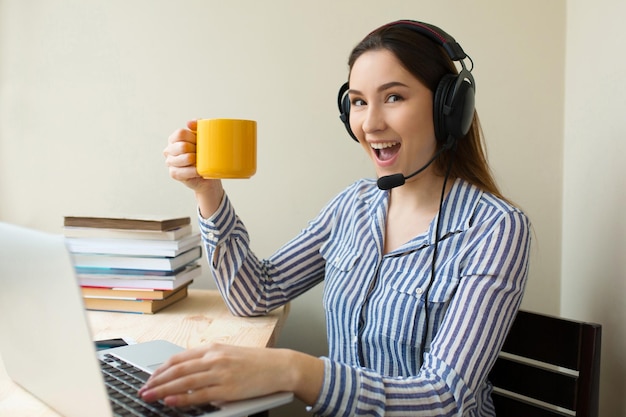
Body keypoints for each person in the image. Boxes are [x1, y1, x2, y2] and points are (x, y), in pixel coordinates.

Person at [139, 19, 531, 416]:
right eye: (359, 102)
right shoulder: (352, 206)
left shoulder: (495, 228)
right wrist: (208, 191)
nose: (370, 124)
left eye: (393, 97)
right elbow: (255, 294)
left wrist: (295, 371)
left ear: (449, 108)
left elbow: (443, 398)